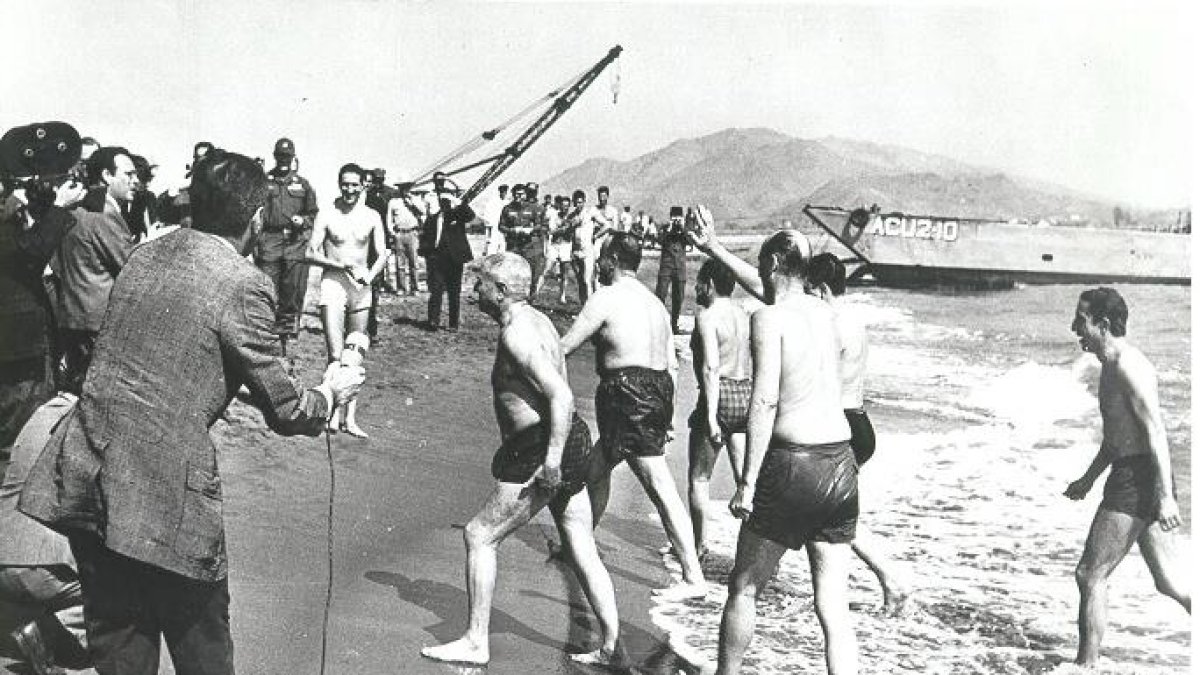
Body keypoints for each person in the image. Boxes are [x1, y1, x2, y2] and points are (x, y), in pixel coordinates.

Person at [18, 149, 364, 675]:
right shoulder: (244, 282)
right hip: (164, 495)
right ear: (253, 220)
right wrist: (332, 391)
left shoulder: (145, 253)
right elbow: (289, 410)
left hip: (91, 474)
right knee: (202, 647)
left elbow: (175, 355)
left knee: (119, 645)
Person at [420, 252, 622, 669]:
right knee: (580, 541)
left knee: (480, 535)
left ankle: (476, 642)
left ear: (503, 290)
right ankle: (611, 645)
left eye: (482, 283)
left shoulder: (517, 332)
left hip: (543, 445)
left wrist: (550, 462)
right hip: (571, 437)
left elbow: (561, 395)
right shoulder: (541, 321)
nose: (476, 289)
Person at [688, 210, 858, 675]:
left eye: (765, 264)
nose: (760, 273)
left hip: (793, 465)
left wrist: (746, 483)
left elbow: (763, 403)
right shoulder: (825, 311)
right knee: (833, 607)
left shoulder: (768, 318)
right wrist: (713, 248)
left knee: (743, 588)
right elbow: (772, 290)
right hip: (841, 466)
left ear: (777, 262)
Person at [560, 232, 708, 599]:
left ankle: (693, 578)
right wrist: (668, 415)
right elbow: (672, 364)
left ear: (610, 259)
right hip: (657, 389)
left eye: (601, 258)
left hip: (628, 391)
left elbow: (566, 345)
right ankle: (579, 544)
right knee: (595, 468)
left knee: (658, 484)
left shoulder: (606, 297)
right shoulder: (655, 303)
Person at [1064, 287, 1190, 666]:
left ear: (1102, 324)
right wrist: (1088, 479)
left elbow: (1155, 432)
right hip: (1135, 472)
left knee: (1090, 574)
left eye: (1081, 320)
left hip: (1139, 478)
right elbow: (1118, 436)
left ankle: (1085, 667)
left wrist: (1165, 496)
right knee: (1169, 582)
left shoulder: (1128, 367)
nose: (1075, 328)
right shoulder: (1110, 364)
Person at [808, 252, 909, 615]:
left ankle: (890, 578)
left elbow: (819, 383)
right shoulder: (854, 318)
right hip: (859, 423)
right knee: (825, 514)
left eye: (809, 291)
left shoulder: (830, 324)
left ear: (820, 289)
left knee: (829, 516)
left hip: (841, 427)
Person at [1, 393, 89, 675]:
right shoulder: (89, 417)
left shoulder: (44, 410)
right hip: (39, 566)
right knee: (130, 588)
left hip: (4, 548)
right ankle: (48, 631)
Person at [306, 163, 388, 438]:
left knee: (354, 355)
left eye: (355, 184)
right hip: (334, 283)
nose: (350, 189)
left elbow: (382, 253)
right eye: (345, 184)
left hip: (361, 286)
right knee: (335, 355)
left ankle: (349, 419)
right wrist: (339, 266)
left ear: (363, 185)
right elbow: (310, 251)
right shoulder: (328, 213)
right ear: (339, 183)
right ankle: (328, 415)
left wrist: (370, 275)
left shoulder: (372, 216)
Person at [51, 146, 141, 393]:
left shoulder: (75, 210)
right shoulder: (104, 216)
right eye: (129, 174)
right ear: (106, 176)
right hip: (98, 325)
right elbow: (132, 266)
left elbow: (56, 265)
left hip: (72, 317)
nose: (136, 181)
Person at [687, 259, 751, 560]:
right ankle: (753, 550)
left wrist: (711, 417)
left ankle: (699, 547)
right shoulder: (744, 314)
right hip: (744, 392)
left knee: (699, 478)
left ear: (709, 284)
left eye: (699, 282)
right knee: (744, 482)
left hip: (719, 393)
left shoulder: (708, 316)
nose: (696, 288)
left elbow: (712, 367)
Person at [256, 137, 318, 341]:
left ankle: (289, 329)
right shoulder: (264, 182)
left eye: (287, 156)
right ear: (275, 157)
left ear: (293, 158)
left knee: (292, 286)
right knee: (268, 284)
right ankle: (268, 327)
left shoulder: (303, 184)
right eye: (280, 156)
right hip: (270, 240)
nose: (283, 160)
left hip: (294, 240)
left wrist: (304, 220)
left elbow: (312, 213)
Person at [418, 176, 475, 331]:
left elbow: (470, 215)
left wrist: (458, 202)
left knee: (454, 292)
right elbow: (425, 238)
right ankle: (433, 321)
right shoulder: (433, 218)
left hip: (454, 259)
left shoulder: (458, 215)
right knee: (435, 290)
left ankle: (453, 323)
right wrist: (428, 255)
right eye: (442, 201)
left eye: (447, 201)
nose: (444, 204)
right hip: (437, 259)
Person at [498, 183, 545, 299]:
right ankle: (513, 299)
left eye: (522, 194)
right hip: (514, 246)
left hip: (529, 247)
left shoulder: (533, 208)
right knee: (513, 274)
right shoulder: (507, 209)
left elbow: (540, 225)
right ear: (513, 195)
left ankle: (531, 299)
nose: (519, 196)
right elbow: (501, 226)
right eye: (516, 194)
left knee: (532, 274)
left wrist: (531, 230)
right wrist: (512, 230)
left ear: (526, 195)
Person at [387, 183, 424, 295]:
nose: (405, 189)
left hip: (412, 233)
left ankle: (415, 288)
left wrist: (412, 201)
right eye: (402, 187)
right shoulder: (393, 202)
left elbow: (422, 211)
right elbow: (389, 219)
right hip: (399, 233)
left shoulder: (415, 199)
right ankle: (401, 288)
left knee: (414, 263)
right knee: (400, 264)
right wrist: (392, 233)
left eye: (407, 187)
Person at [657, 206, 689, 334]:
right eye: (674, 217)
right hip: (666, 266)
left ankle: (674, 325)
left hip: (680, 267)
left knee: (678, 297)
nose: (676, 220)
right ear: (670, 217)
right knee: (661, 294)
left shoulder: (685, 230)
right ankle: (658, 325)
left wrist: (682, 228)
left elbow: (690, 241)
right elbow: (659, 241)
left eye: (678, 217)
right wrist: (669, 230)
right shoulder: (665, 229)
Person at [584, 186, 617, 288]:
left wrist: (603, 231)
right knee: (596, 264)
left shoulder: (613, 210)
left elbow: (614, 228)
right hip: (597, 239)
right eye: (600, 196)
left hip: (608, 238)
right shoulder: (594, 209)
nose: (602, 198)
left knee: (611, 264)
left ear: (607, 196)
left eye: (604, 195)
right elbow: (588, 223)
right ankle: (596, 288)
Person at [568, 189, 595, 302]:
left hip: (587, 250)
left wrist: (596, 235)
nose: (578, 205)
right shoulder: (572, 215)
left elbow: (606, 225)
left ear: (584, 201)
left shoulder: (590, 213)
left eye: (580, 202)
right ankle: (583, 305)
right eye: (576, 202)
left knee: (587, 280)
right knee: (580, 280)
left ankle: (590, 306)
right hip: (576, 251)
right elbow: (568, 231)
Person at [481, 184, 509, 256]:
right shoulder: (492, 203)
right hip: (494, 228)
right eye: (502, 192)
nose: (504, 193)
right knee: (491, 249)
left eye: (505, 192)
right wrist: (489, 227)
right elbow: (487, 217)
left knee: (503, 249)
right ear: (500, 192)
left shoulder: (507, 203)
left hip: (504, 228)